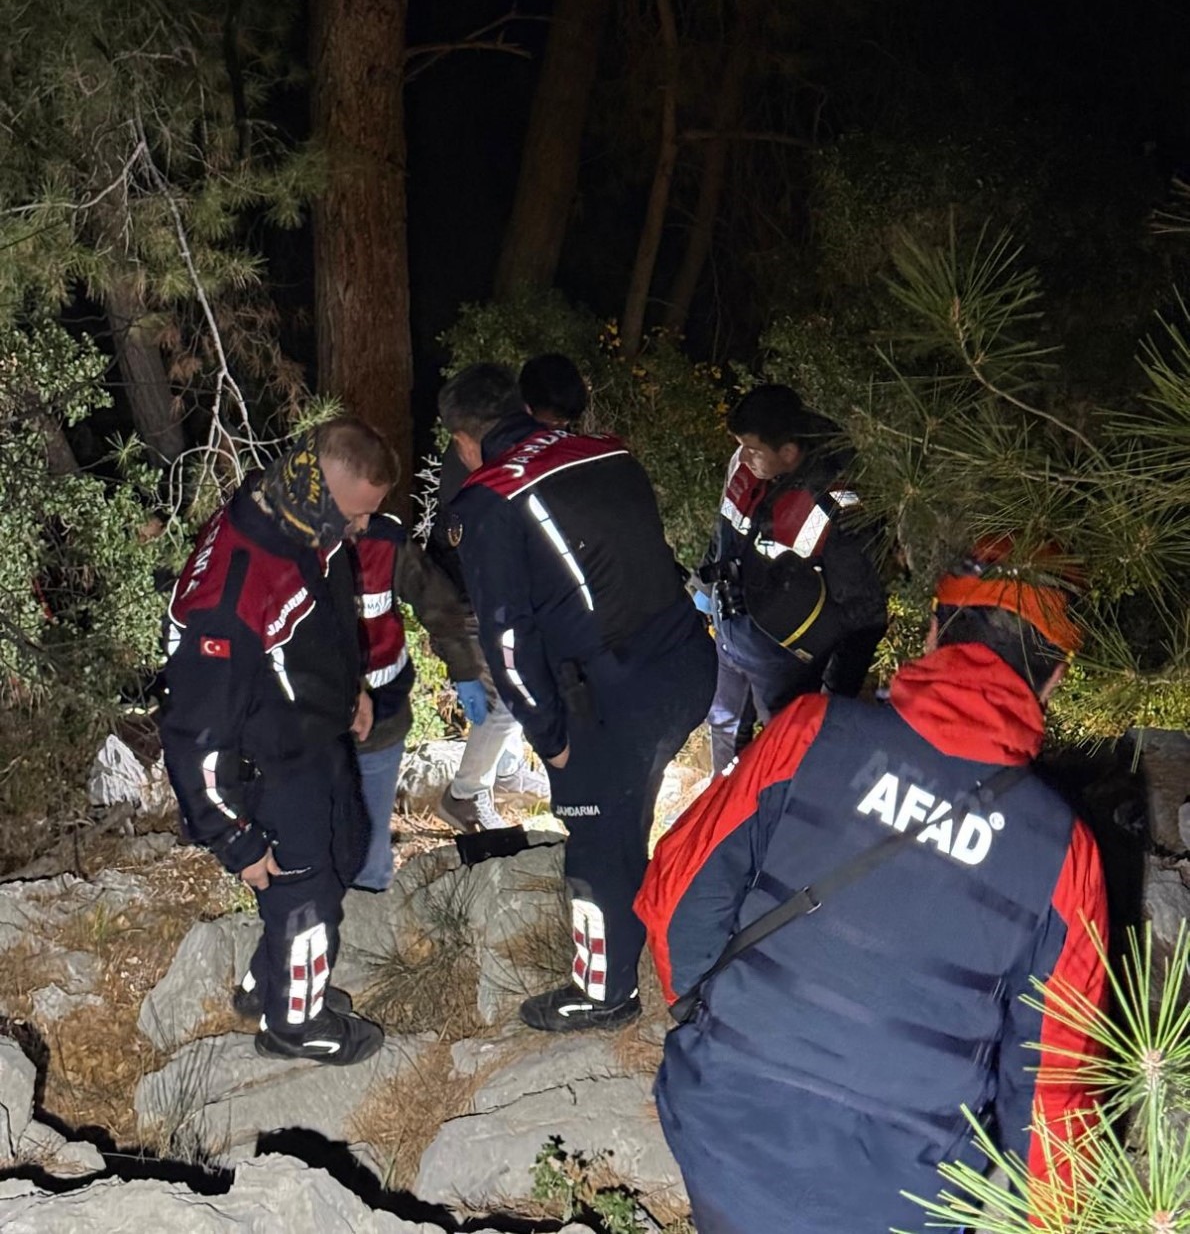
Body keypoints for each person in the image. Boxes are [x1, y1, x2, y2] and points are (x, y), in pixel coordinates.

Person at [636, 540, 1109, 1234]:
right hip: (899, 1197)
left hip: (725, 1127)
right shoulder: (1064, 853)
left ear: (934, 632)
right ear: (1055, 677)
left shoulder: (809, 730)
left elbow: (676, 896)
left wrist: (709, 1015)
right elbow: (1054, 1092)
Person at [439, 361, 716, 1032]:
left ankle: (604, 993)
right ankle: (650, 932)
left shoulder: (489, 500)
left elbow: (507, 639)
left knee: (595, 842)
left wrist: (550, 736)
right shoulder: (606, 450)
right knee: (627, 815)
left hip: (615, 695)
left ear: (464, 440)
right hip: (687, 662)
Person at [160, 420, 393, 1066]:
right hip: (267, 762)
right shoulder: (231, 592)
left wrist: (352, 690)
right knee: (304, 893)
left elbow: (324, 620)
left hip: (310, 737)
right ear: (318, 493)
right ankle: (296, 1024)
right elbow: (194, 731)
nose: (363, 527)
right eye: (355, 513)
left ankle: (269, 985)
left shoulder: (302, 522)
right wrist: (233, 835)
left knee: (341, 852)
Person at [431, 353, 588, 835]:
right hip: (468, 594)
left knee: (511, 689)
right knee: (506, 695)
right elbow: (473, 547)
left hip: (490, 590)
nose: (554, 434)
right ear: (524, 410)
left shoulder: (513, 450)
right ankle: (465, 793)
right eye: (549, 423)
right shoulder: (478, 458)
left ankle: (505, 770)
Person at [699, 383, 887, 773]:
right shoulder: (747, 464)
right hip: (729, 636)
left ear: (787, 452)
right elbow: (724, 532)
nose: (742, 457)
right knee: (724, 727)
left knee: (784, 756)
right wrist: (704, 599)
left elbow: (865, 610)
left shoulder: (835, 504)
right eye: (740, 446)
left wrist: (834, 695)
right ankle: (723, 795)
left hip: (781, 662)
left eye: (752, 450)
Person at [350, 511, 489, 890]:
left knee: (370, 841)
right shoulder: (291, 545)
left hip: (383, 713)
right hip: (313, 718)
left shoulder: (386, 542)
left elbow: (438, 605)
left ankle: (369, 897)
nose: (360, 521)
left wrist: (464, 669)